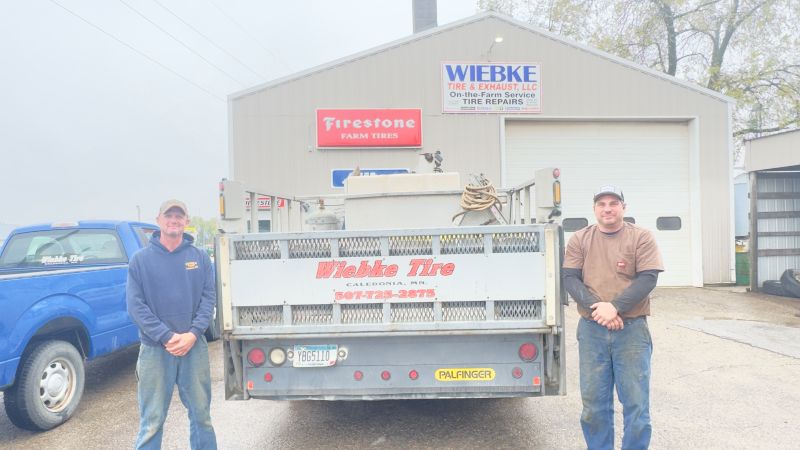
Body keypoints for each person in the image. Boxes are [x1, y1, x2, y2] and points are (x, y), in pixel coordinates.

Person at [562, 186, 664, 450]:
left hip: (632, 331)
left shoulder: (641, 237)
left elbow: (648, 278)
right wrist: (600, 309)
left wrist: (615, 307)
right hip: (592, 329)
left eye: (613, 203)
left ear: (623, 207)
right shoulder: (580, 239)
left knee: (636, 405)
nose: (607, 208)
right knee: (594, 406)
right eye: (602, 204)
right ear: (594, 209)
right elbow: (570, 278)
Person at [126, 199, 217, 449]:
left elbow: (208, 299)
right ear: (159, 220)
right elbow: (136, 306)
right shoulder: (140, 261)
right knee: (152, 421)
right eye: (169, 215)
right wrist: (166, 336)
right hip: (155, 350)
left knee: (202, 417)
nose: (174, 220)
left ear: (187, 222)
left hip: (193, 348)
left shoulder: (200, 258)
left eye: (179, 216)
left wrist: (193, 334)